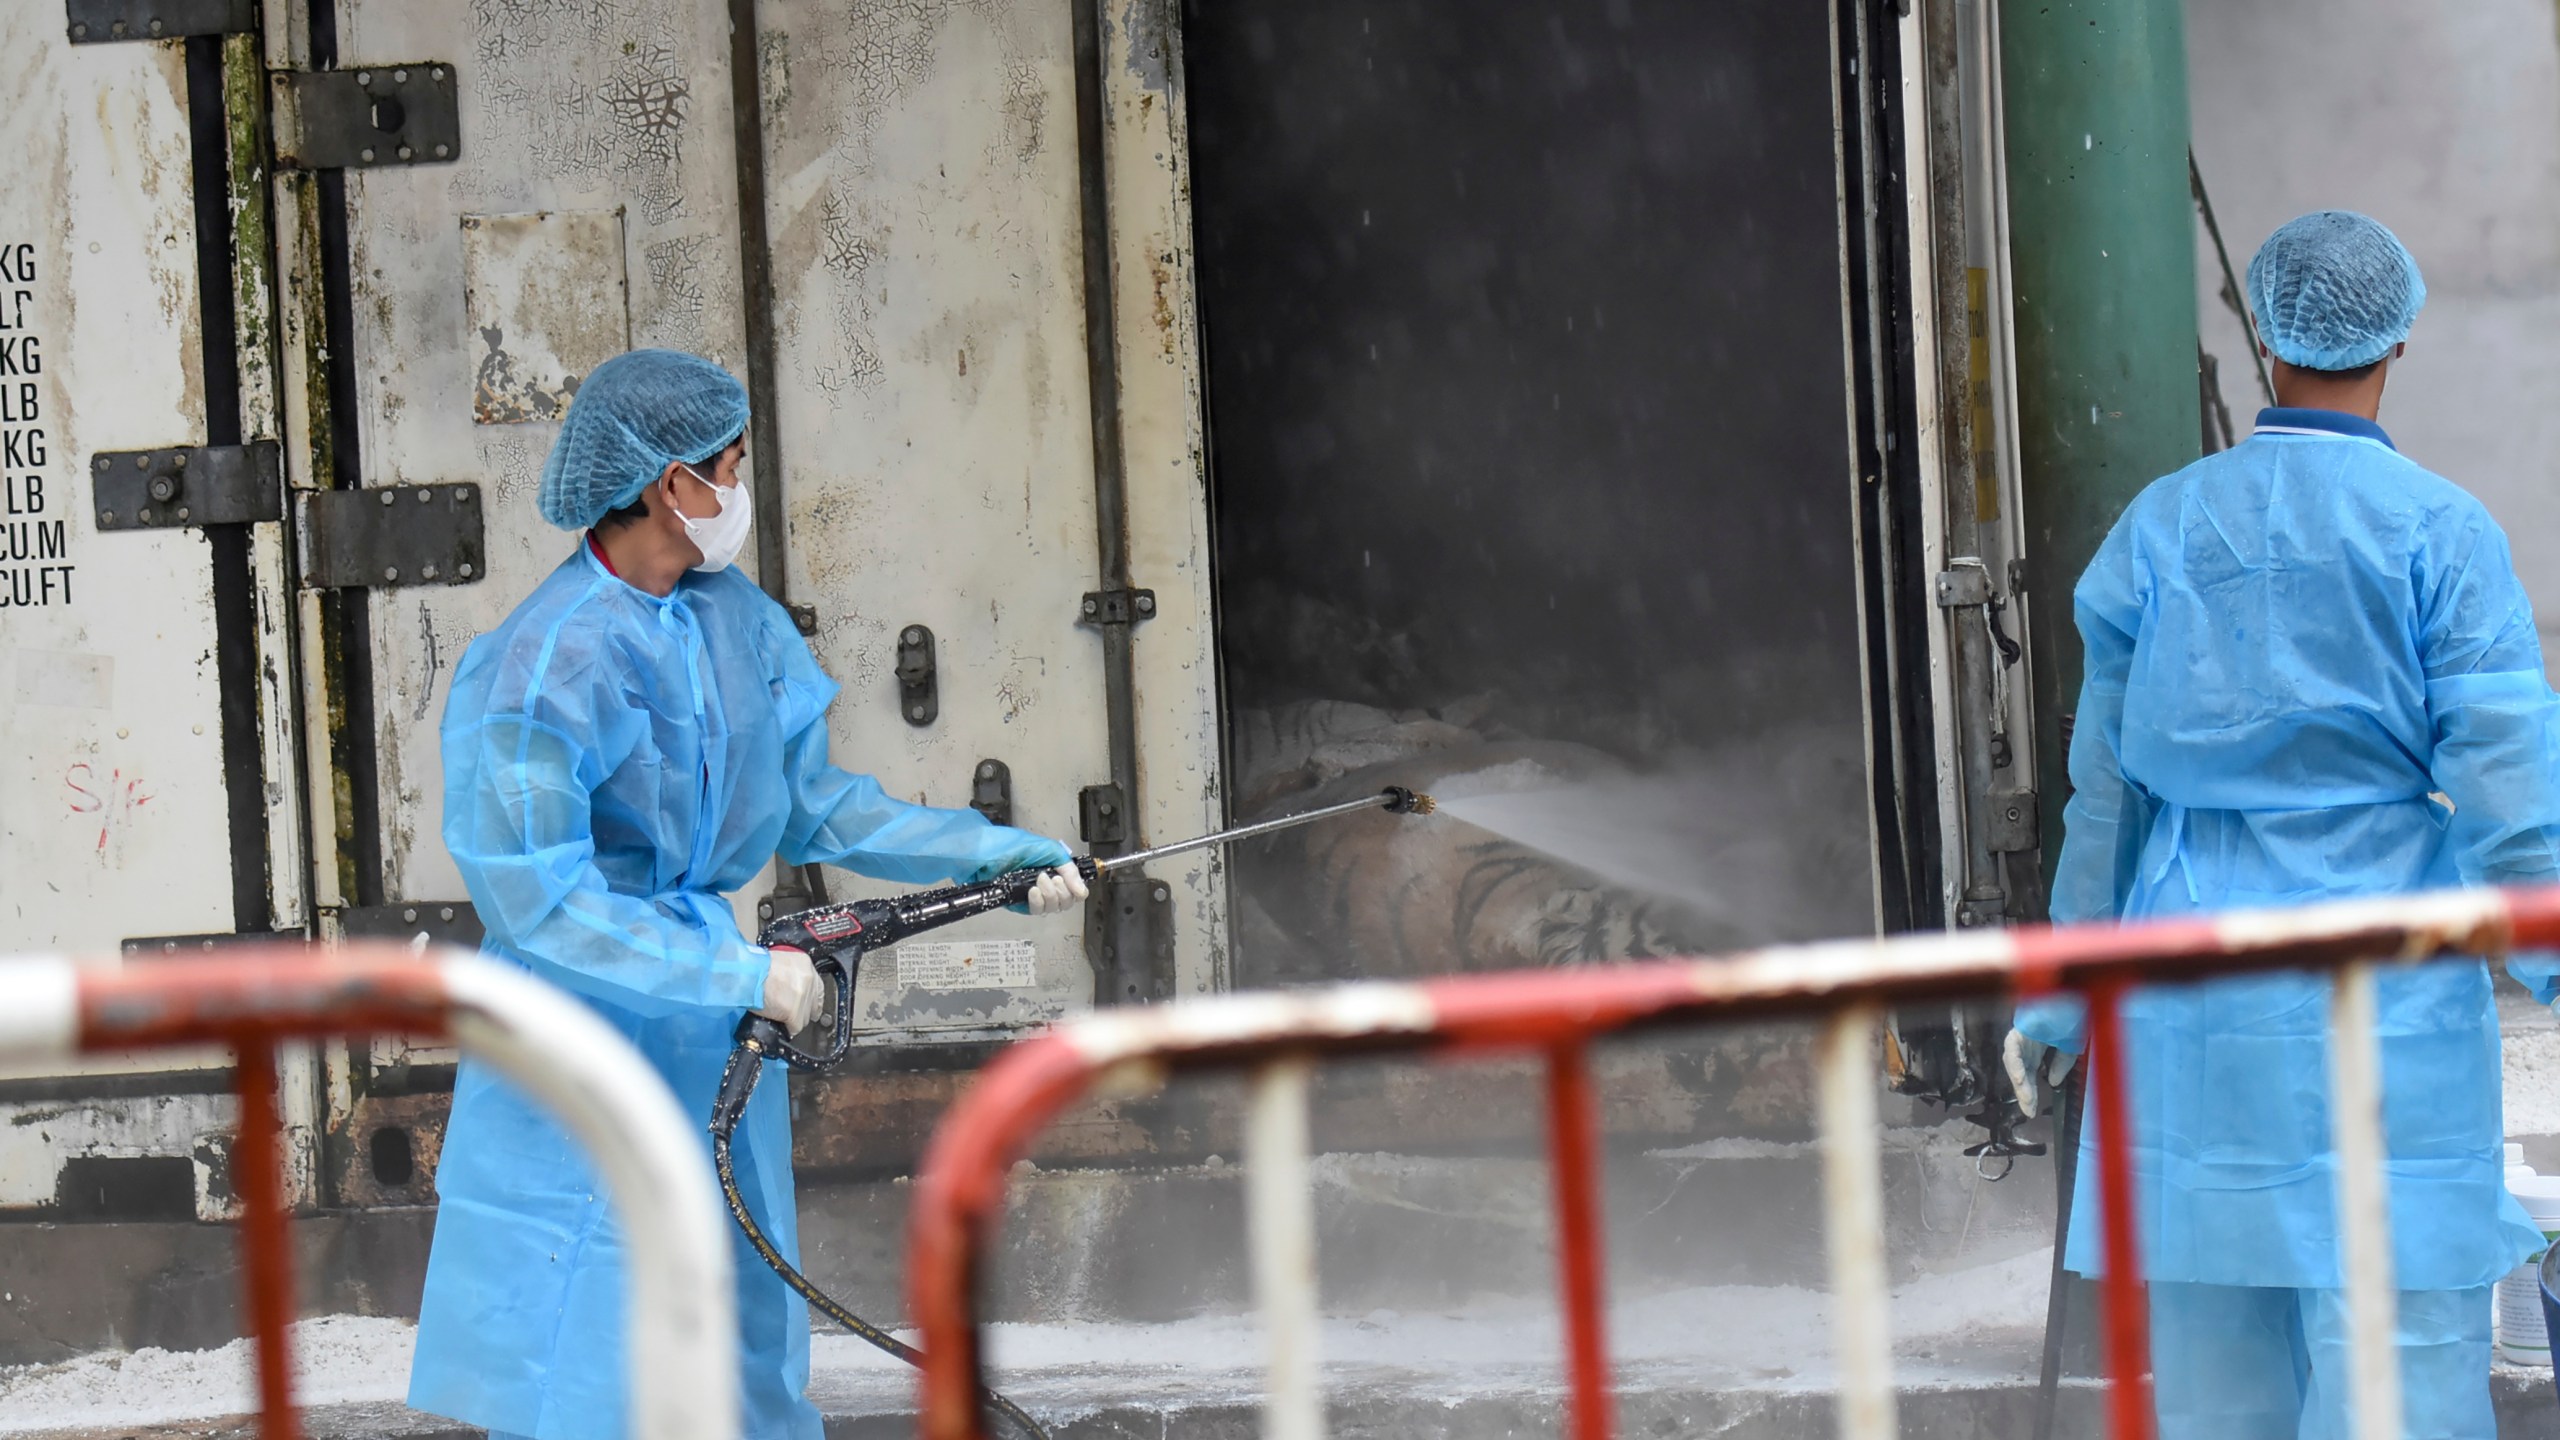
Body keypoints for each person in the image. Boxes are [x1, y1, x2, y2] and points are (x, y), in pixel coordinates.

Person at [406, 349, 1088, 1439]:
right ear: (668, 483)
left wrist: (983, 861)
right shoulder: (538, 662)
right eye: (726, 463)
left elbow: (813, 806)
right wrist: (734, 970)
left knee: (740, 1295)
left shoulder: (733, 619)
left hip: (708, 1023)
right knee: (595, 1316)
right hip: (578, 1023)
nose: (739, 485)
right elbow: (539, 899)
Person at [2002, 210, 2560, 1436]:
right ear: (2398, 339)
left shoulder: (2160, 527)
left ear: (2261, 333)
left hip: (2188, 990)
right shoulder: (2442, 534)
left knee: (2214, 1379)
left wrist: (2054, 999)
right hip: (2385, 989)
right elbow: (2509, 791)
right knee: (2397, 1366)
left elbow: (2107, 797)